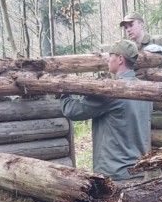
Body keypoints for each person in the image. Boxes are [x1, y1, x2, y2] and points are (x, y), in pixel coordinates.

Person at [60, 40, 152, 181]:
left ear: (120, 59)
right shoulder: (146, 90)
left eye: (111, 55)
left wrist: (63, 92)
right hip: (137, 172)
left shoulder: (112, 91)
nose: (108, 59)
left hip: (114, 175)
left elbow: (73, 111)